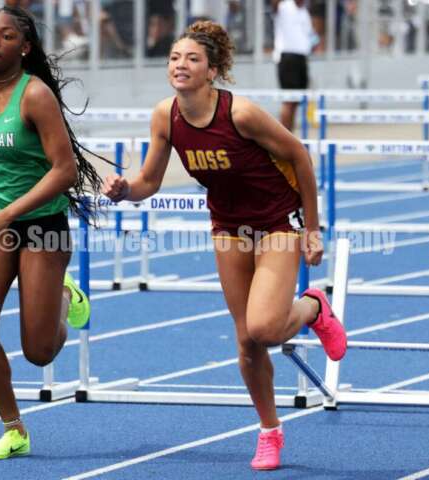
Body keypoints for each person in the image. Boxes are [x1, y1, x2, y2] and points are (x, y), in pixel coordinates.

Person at [101, 21, 347, 471]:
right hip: (228, 228)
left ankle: (313, 308)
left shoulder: (241, 114)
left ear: (211, 71)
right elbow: (149, 181)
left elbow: (299, 156)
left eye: (192, 59)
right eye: (175, 58)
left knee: (266, 329)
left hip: (277, 222)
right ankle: (270, 431)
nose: (181, 65)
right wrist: (123, 190)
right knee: (246, 342)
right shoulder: (165, 116)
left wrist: (313, 229)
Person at [0, 6, 101, 460]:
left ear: (24, 46)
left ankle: (66, 296)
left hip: (41, 225)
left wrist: (10, 212)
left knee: (39, 351)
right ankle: (14, 429)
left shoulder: (35, 96)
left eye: (5, 36)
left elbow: (64, 171)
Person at [271, 0, 316, 132]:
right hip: (287, 57)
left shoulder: (304, 11)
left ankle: (289, 135)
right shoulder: (283, 7)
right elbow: (274, 4)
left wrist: (313, 42)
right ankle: (283, 137)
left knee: (297, 100)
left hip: (302, 58)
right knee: (289, 100)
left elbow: (309, 35)